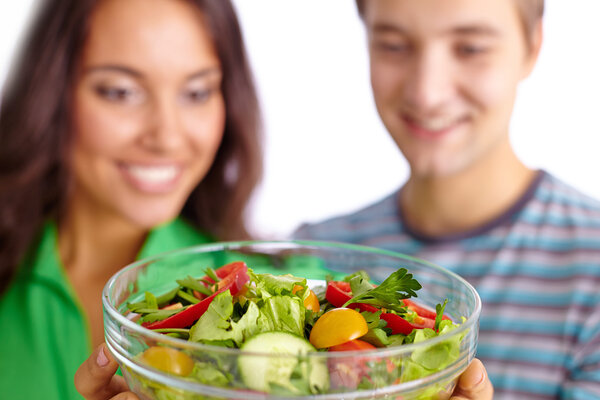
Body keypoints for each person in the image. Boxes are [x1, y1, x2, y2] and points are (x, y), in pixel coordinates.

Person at [294, 0, 600, 399]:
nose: (427, 93)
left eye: (470, 48)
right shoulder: (311, 257)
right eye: (393, 45)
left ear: (532, 45)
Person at [0, 0, 262, 399]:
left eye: (196, 92)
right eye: (121, 92)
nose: (167, 136)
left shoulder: (293, 296)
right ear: (53, 93)